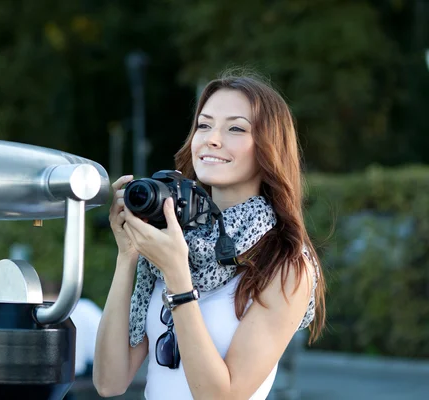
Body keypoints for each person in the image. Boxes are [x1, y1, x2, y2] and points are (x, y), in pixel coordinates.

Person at [93, 71, 326, 399]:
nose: (212, 139)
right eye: (204, 125)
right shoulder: (174, 242)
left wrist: (178, 277)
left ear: (268, 148)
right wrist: (128, 256)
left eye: (235, 128)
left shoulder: (285, 263)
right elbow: (109, 382)